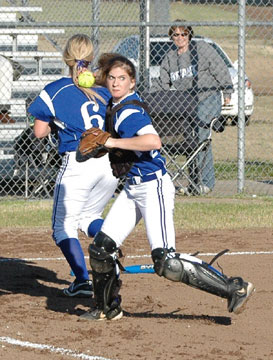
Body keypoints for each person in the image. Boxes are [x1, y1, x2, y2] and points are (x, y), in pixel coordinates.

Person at [80, 55, 254, 321]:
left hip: (153, 188)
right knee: (101, 249)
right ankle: (107, 308)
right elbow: (95, 84)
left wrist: (112, 143)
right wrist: (81, 69)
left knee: (167, 263)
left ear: (132, 82)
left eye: (122, 79)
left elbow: (153, 141)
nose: (115, 83)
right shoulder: (116, 103)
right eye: (112, 78)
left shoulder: (129, 111)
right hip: (132, 189)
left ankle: (234, 288)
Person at [28, 34, 119, 297]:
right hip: (108, 164)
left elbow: (39, 132)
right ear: (91, 59)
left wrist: (54, 122)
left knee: (62, 228)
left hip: (78, 163)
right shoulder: (105, 90)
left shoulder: (56, 89)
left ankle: (81, 280)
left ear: (66, 58)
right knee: (89, 218)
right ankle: (110, 252)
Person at [154, 20, 234, 195]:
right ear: (171, 37)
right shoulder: (170, 58)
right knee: (189, 139)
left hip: (208, 98)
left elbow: (220, 68)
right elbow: (162, 84)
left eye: (184, 34)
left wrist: (227, 90)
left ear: (189, 34)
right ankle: (193, 182)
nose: (180, 38)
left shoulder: (202, 49)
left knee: (201, 135)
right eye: (176, 34)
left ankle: (205, 182)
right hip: (186, 104)